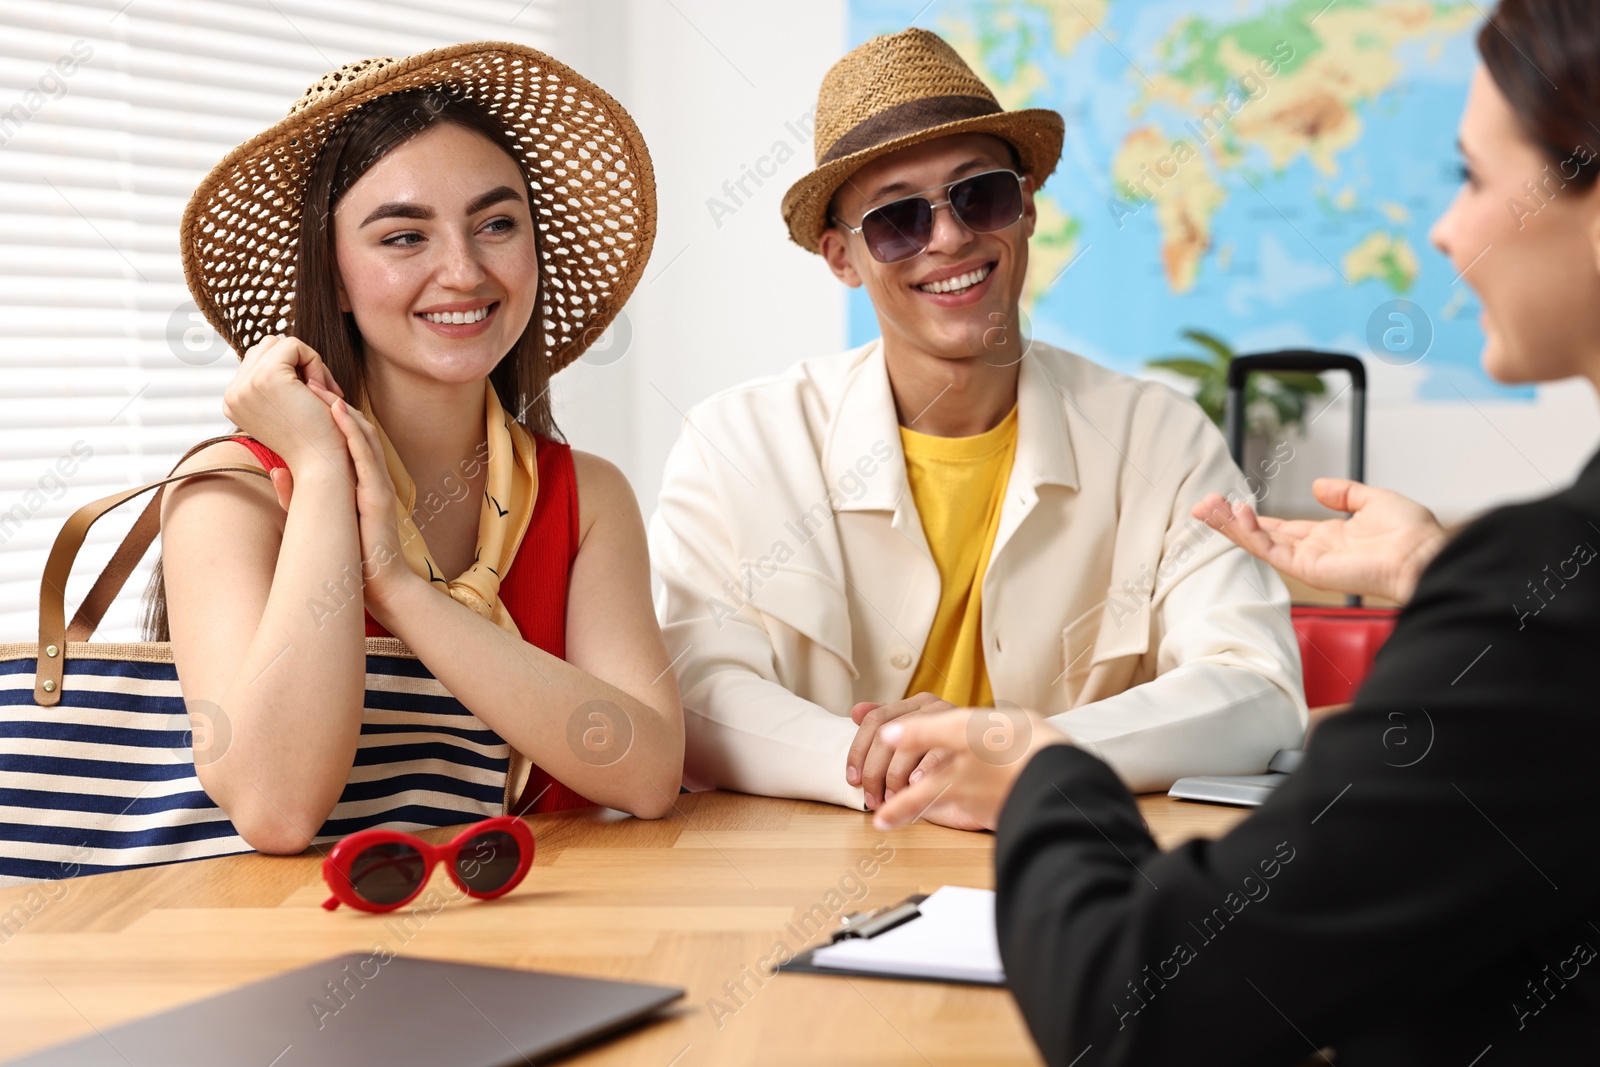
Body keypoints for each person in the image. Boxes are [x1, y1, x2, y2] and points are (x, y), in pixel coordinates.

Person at [873, 0, 1600, 1059]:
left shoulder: (1552, 595)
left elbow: (1144, 996)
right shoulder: (1547, 596)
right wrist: (1441, 572)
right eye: (897, 218)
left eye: (1474, 179)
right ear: (839, 255)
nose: (1446, 231)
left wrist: (1043, 769)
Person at [648, 28, 1305, 826]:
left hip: (1084, 878)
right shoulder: (738, 445)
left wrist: (1023, 753)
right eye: (896, 220)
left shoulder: (1160, 437)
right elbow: (693, 688)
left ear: (1026, 206)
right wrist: (892, 768)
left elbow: (1255, 687)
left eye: (980, 195)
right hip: (808, 878)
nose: (951, 237)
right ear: (842, 258)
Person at [152, 45, 684, 855]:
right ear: (332, 278)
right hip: (288, 959)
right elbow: (274, 805)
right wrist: (325, 469)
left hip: (562, 943)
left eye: (496, 224)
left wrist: (399, 591)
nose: (464, 270)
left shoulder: (586, 498)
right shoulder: (229, 494)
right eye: (405, 237)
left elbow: (646, 773)